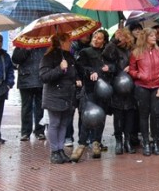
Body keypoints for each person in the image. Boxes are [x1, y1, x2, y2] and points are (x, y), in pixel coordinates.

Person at [39, 33, 81, 164]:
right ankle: (54, 151)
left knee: (64, 123)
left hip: (68, 94)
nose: (71, 43)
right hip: (54, 95)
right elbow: (44, 76)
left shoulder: (69, 56)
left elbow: (73, 73)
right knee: (55, 122)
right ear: (62, 43)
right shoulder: (49, 57)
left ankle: (60, 149)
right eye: (69, 41)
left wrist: (77, 79)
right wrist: (59, 68)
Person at [128, 27, 159, 156]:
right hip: (142, 87)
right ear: (144, 37)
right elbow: (131, 70)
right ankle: (146, 142)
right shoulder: (136, 52)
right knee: (143, 115)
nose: (154, 37)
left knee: (156, 115)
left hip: (157, 87)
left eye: (154, 35)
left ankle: (156, 142)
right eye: (151, 35)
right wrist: (140, 75)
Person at [73, 30, 112, 161]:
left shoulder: (107, 53)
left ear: (104, 41)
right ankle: (82, 143)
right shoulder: (85, 52)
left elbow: (114, 65)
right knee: (87, 115)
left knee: (101, 116)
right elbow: (81, 67)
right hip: (89, 89)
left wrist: (110, 68)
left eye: (99, 38)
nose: (95, 39)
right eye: (95, 36)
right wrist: (91, 72)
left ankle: (96, 142)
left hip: (104, 89)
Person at [103, 28, 138, 154]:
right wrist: (113, 41)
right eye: (119, 36)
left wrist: (132, 67)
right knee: (118, 115)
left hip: (130, 85)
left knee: (129, 114)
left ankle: (127, 140)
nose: (121, 38)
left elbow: (139, 62)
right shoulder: (112, 47)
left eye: (123, 36)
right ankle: (118, 140)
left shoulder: (132, 49)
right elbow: (106, 59)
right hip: (117, 85)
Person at [11, 46, 46, 141]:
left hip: (41, 80)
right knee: (26, 107)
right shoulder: (22, 44)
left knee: (40, 107)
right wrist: (25, 49)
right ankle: (25, 132)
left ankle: (39, 131)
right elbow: (15, 59)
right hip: (25, 80)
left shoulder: (44, 44)